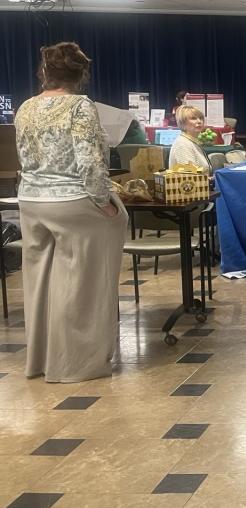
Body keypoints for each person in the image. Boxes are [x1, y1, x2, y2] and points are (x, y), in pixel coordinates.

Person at [15, 42, 128, 383]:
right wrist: (104, 201)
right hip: (72, 201)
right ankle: (76, 363)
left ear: (44, 73)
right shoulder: (80, 106)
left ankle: (40, 360)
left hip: (31, 202)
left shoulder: (25, 107)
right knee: (83, 279)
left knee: (40, 280)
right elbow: (90, 162)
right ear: (81, 74)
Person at [168, 105, 212, 172]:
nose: (199, 121)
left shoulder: (192, 141)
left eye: (201, 118)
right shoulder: (182, 144)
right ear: (182, 122)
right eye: (193, 118)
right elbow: (189, 174)